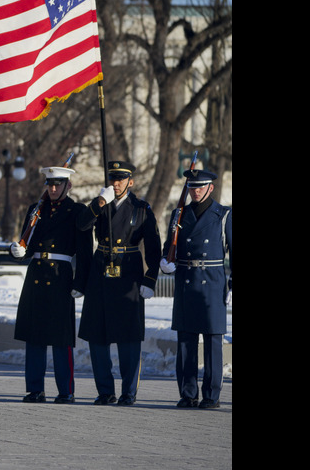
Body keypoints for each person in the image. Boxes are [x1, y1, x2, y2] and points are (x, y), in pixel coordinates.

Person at [75, 161, 161, 406]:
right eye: (113, 178)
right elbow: (81, 225)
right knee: (97, 336)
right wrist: (99, 203)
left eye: (121, 179)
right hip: (101, 271)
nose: (116, 183)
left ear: (130, 182)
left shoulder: (141, 208)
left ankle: (128, 392)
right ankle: (105, 391)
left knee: (128, 338)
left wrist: (150, 278)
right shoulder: (100, 204)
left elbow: (154, 248)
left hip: (129, 274)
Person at [10, 165, 92, 404]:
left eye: (58, 184)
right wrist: (17, 251)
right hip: (36, 274)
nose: (53, 188)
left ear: (69, 186)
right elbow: (27, 243)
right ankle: (35, 388)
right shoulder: (35, 209)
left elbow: (85, 253)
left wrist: (80, 283)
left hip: (60, 277)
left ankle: (66, 390)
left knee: (60, 338)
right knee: (34, 336)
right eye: (50, 184)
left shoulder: (77, 211)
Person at [160, 169, 232, 409]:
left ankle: (211, 395)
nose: (195, 191)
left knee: (213, 341)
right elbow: (169, 245)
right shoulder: (179, 214)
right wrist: (166, 262)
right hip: (186, 280)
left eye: (200, 187)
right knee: (186, 341)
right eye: (192, 187)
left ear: (210, 188)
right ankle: (188, 393)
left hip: (212, 283)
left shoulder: (223, 215)